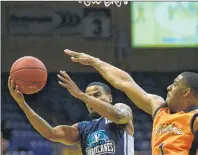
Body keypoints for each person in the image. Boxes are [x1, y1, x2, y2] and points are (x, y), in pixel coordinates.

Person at [64, 49, 198, 155]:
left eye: (175, 84)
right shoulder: (159, 108)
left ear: (186, 92)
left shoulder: (194, 118)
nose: (168, 87)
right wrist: (95, 62)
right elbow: (124, 82)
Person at [8, 72, 134, 155]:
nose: (92, 99)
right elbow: (51, 133)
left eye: (97, 95)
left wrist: (81, 95)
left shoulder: (120, 109)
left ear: (110, 98)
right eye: (88, 97)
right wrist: (22, 104)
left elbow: (119, 116)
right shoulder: (83, 128)